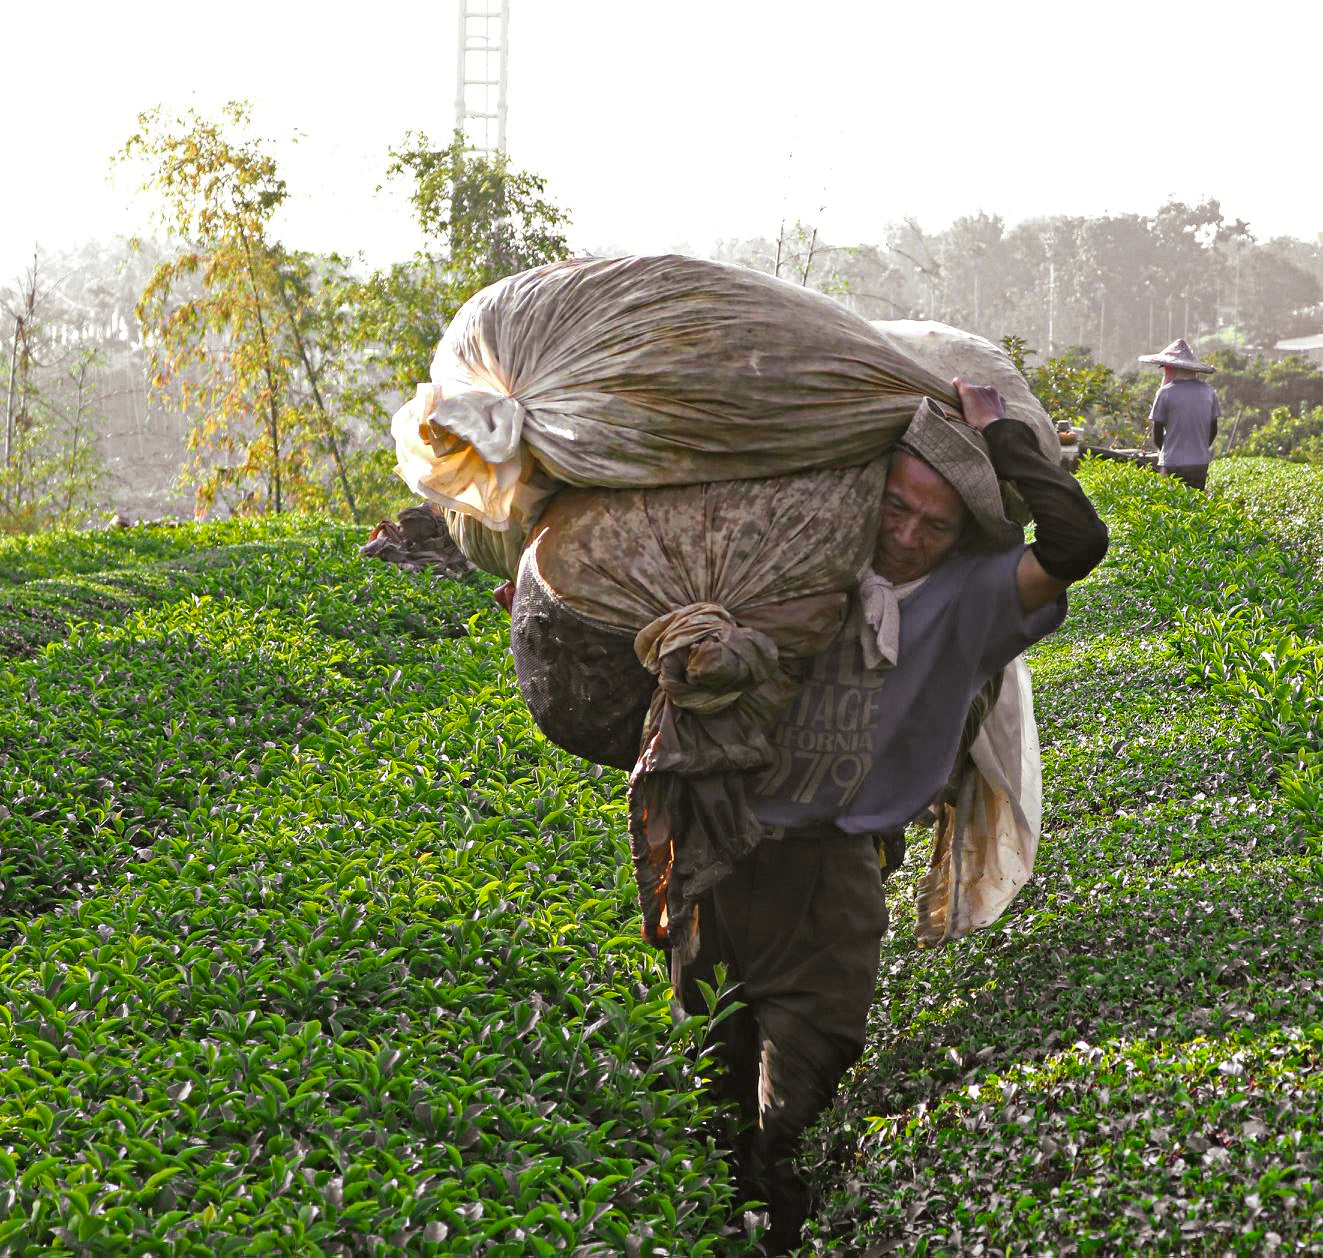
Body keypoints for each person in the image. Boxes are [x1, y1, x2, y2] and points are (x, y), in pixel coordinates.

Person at [671, 379, 1110, 1254]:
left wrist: (1000, 434)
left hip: (831, 870)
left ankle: (786, 1218)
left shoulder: (972, 599)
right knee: (707, 1071)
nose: (908, 537)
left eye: (935, 524)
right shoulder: (790, 567)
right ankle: (715, 1219)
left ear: (965, 534)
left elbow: (1075, 542)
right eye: (896, 509)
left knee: (810, 1073)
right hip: (718, 849)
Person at [1139, 338, 1220, 490]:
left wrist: (1166, 452)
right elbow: (1213, 430)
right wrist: (1199, 449)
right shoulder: (1209, 392)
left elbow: (1157, 433)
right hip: (1199, 464)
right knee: (1195, 507)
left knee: (1172, 507)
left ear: (1171, 368)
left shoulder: (1165, 393)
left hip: (1172, 463)